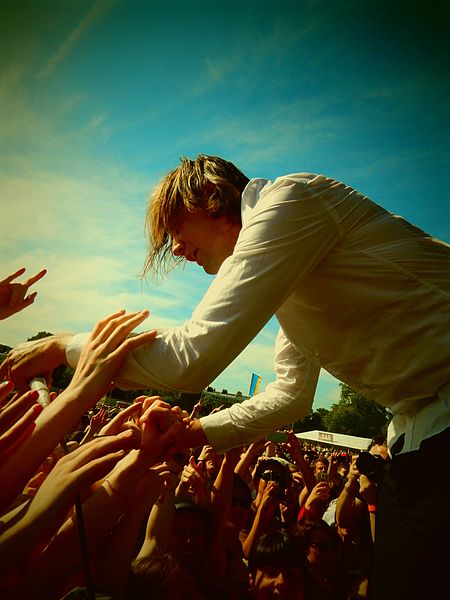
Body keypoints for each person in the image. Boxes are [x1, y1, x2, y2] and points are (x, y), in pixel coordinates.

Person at [2, 154, 450, 599]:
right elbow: (291, 396)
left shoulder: (290, 201)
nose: (175, 249)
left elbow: (191, 358)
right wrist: (192, 432)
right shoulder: (291, 279)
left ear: (212, 197)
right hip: (418, 440)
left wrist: (61, 348)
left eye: (174, 228)